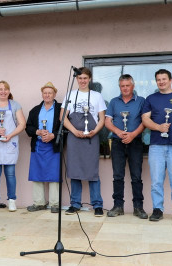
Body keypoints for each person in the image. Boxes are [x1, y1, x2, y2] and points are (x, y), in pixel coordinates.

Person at [142, 69, 172, 224]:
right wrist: (158, 127)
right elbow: (145, 119)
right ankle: (157, 209)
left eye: (164, 79)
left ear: (170, 80)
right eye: (158, 79)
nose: (161, 82)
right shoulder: (151, 98)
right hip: (156, 146)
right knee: (156, 181)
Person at [60, 67, 106, 217]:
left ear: (90, 79)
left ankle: (97, 204)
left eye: (85, 78)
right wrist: (74, 131)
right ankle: (75, 204)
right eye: (80, 78)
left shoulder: (97, 96)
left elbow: (102, 119)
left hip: (92, 137)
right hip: (74, 137)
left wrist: (95, 131)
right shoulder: (70, 94)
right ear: (76, 79)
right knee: (74, 170)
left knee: (92, 171)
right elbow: (63, 117)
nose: (82, 81)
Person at [105, 74, 147, 219]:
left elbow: (145, 121)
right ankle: (118, 206)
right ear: (119, 87)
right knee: (117, 175)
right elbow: (107, 122)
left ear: (133, 86)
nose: (125, 88)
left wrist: (132, 135)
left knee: (136, 176)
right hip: (117, 142)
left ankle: (138, 207)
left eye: (127, 85)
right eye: (122, 86)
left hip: (135, 142)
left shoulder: (141, 101)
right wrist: (118, 132)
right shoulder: (113, 102)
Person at [0, 81, 26, 212]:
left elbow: (22, 124)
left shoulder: (15, 105)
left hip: (10, 142)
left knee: (10, 173)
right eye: (0, 89)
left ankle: (12, 200)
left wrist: (10, 135)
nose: (3, 91)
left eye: (5, 89)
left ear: (9, 91)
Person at [25, 82, 61, 213]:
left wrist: (53, 135)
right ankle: (39, 203)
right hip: (38, 146)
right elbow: (28, 128)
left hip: (53, 146)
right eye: (45, 93)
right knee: (37, 174)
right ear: (42, 94)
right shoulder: (35, 110)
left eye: (50, 93)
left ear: (54, 94)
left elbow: (65, 128)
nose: (47, 95)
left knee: (54, 175)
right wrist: (38, 132)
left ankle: (54, 204)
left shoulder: (61, 109)